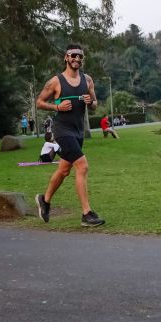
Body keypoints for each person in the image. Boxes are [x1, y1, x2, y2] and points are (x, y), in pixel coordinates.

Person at [34, 44, 105, 227]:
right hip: (62, 131)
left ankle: (45, 200)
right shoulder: (56, 81)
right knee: (82, 166)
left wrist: (91, 103)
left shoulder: (87, 80)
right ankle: (87, 214)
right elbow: (40, 102)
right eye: (73, 55)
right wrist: (57, 107)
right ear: (66, 57)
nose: (77, 59)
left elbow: (95, 103)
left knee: (64, 170)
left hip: (78, 131)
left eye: (80, 57)